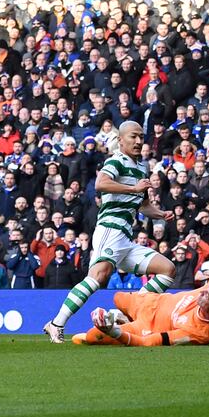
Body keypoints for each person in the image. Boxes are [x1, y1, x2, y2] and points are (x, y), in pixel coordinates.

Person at [44, 121, 175, 343]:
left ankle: (129, 311)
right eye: (133, 137)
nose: (138, 141)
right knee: (98, 277)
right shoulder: (115, 161)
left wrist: (160, 214)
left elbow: (142, 205)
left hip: (125, 236)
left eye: (141, 137)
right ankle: (57, 323)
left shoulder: (141, 168)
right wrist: (133, 188)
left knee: (167, 270)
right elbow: (101, 184)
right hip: (110, 229)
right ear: (121, 140)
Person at [73, 200, 209, 346]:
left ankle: (119, 323)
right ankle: (123, 317)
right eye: (205, 289)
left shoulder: (198, 333)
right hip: (150, 299)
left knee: (92, 336)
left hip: (146, 326)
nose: (201, 292)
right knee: (117, 298)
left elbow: (148, 342)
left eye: (206, 296)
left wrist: (113, 332)